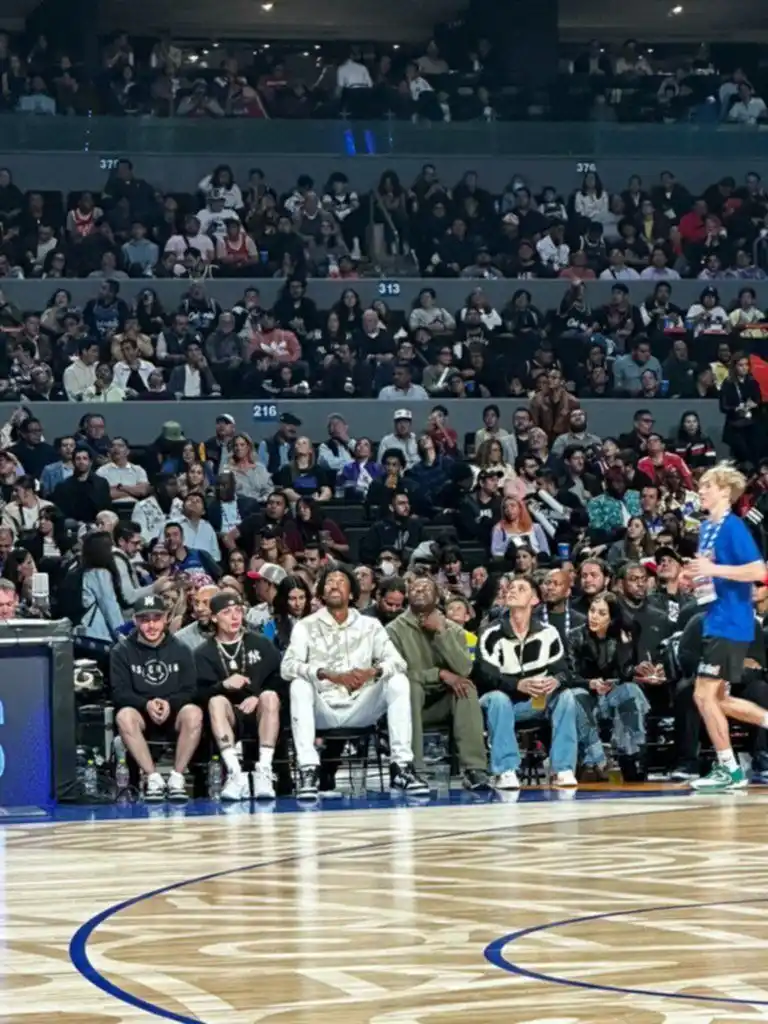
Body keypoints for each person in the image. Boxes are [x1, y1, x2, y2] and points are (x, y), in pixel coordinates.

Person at [282, 564, 429, 800]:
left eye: (340, 581)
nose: (334, 585)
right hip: (323, 708)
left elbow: (399, 662)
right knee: (299, 684)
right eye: (329, 582)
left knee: (398, 680)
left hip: (361, 705)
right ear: (321, 593)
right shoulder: (305, 626)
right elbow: (287, 667)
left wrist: (373, 671)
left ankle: (401, 767)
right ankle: (309, 770)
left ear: (351, 593)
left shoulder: (370, 625)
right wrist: (327, 674)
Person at [683, 464, 768, 790]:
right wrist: (693, 576)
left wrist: (714, 570)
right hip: (715, 619)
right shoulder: (707, 527)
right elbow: (710, 572)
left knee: (702, 695)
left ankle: (729, 769)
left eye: (707, 485)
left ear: (724, 491)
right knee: (718, 699)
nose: (701, 490)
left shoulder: (733, 527)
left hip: (731, 622)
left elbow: (758, 570)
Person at [476, 575, 580, 789]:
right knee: (498, 699)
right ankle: (505, 770)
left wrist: (555, 681)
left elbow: (565, 672)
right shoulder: (491, 634)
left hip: (534, 702)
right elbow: (485, 676)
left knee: (566, 697)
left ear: (534, 599)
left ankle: (562, 769)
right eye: (511, 588)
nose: (512, 591)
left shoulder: (548, 633)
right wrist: (517, 685)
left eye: (521, 588)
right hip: (499, 704)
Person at [387, 575, 490, 790]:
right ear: (407, 596)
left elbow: (464, 669)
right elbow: (396, 674)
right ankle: (414, 769)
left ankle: (475, 770)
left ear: (436, 598)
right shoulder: (393, 630)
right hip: (408, 705)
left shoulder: (453, 630)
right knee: (411, 688)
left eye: (426, 588)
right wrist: (439, 674)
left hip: (441, 703)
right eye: (415, 588)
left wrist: (441, 633)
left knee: (466, 689)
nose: (420, 591)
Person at [111, 594, 202, 802]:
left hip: (174, 713)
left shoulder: (181, 649)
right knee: (124, 716)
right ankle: (153, 778)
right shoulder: (121, 651)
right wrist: (146, 704)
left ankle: (177, 777)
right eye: (145, 620)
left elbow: (190, 690)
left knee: (194, 713)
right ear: (135, 621)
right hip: (141, 715)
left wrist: (170, 703)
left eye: (156, 619)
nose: (151, 625)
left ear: (166, 618)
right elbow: (119, 692)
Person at [195, 590, 283, 800]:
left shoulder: (261, 643)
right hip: (227, 715)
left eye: (238, 611)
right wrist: (223, 685)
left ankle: (264, 770)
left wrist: (257, 695)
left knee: (270, 696)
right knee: (216, 701)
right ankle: (235, 773)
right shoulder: (203, 653)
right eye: (227, 612)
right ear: (214, 617)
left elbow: (280, 679)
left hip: (261, 711)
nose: (235, 617)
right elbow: (197, 694)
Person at [565, 591, 650, 780]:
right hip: (586, 694)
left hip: (612, 694)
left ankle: (632, 754)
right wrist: (591, 683)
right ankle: (595, 759)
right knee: (575, 696)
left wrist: (626, 649)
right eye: (592, 610)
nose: (594, 616)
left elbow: (624, 674)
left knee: (631, 691)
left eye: (602, 613)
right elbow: (569, 675)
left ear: (612, 618)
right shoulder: (575, 636)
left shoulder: (621, 636)